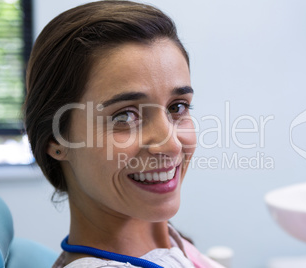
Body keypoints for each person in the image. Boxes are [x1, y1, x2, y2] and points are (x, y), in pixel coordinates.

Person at [23, 1, 224, 267]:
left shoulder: (170, 244)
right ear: (55, 139)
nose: (172, 145)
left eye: (177, 107)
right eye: (125, 116)